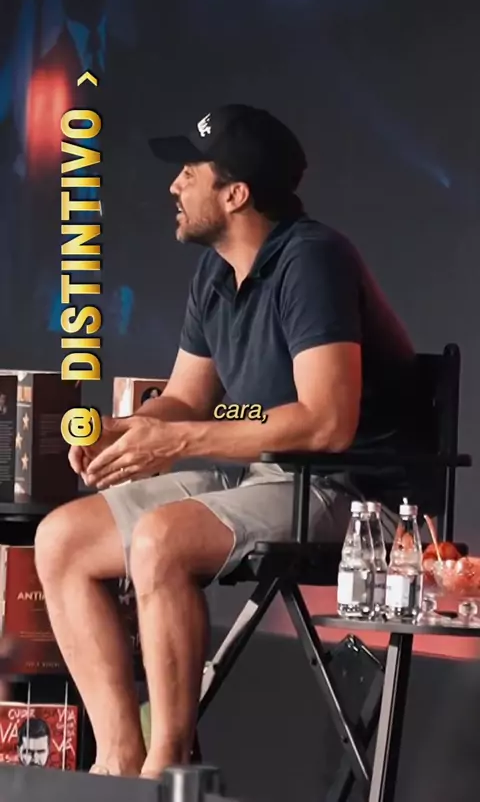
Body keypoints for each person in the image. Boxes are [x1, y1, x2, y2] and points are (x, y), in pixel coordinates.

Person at [34, 104, 415, 779]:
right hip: (263, 476)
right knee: (60, 539)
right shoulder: (216, 273)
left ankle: (167, 770)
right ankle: (118, 760)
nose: (174, 185)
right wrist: (132, 429)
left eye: (189, 172)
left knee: (161, 539)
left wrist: (176, 441)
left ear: (236, 194)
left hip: (351, 495)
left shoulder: (311, 260)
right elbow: (187, 399)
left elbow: (327, 423)